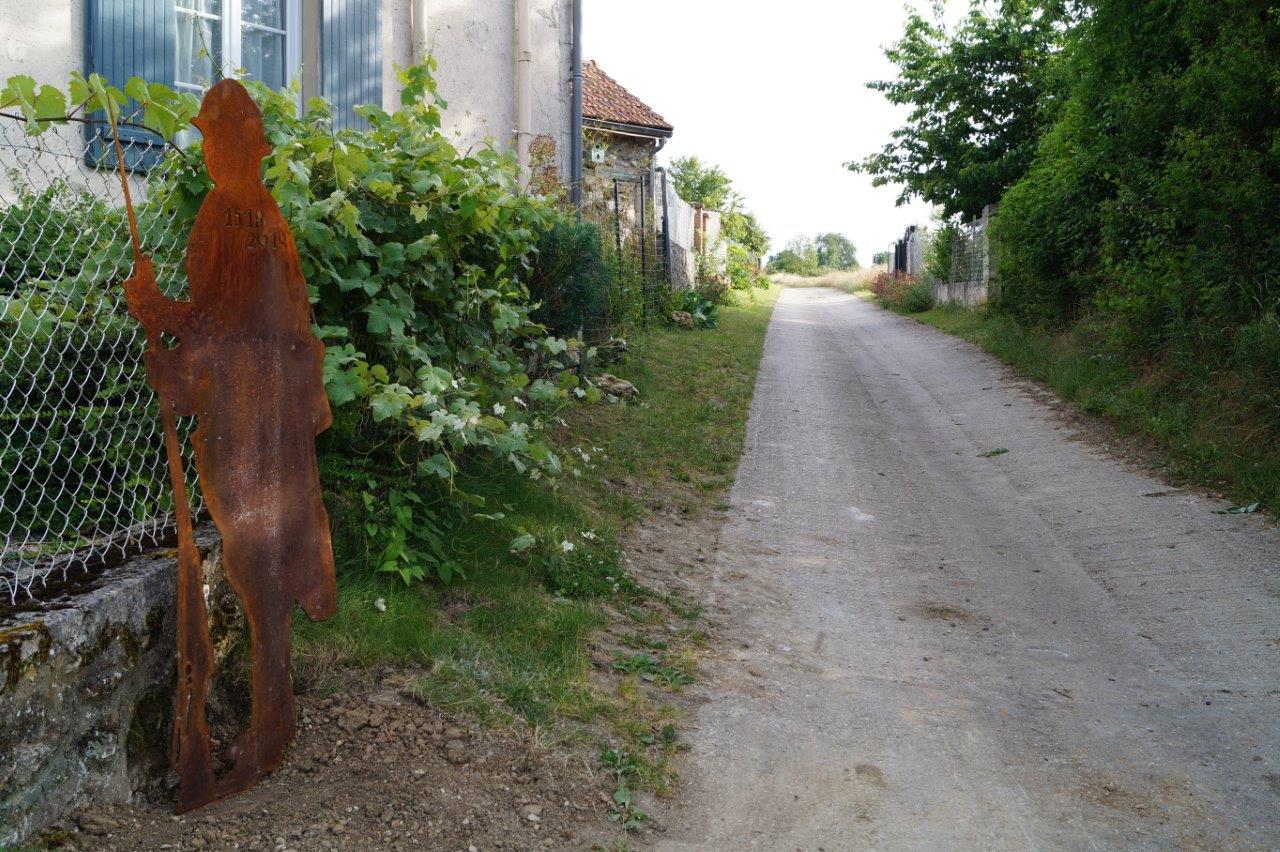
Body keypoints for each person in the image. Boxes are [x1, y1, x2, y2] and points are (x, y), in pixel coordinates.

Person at [123, 78, 336, 804]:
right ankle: (274, 721)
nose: (209, 150)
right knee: (266, 565)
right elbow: (276, 321)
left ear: (234, 145)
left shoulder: (224, 213)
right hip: (275, 411)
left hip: (246, 420)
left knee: (254, 564)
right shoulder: (269, 216)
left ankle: (269, 727)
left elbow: (214, 324)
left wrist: (157, 315)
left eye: (214, 138)